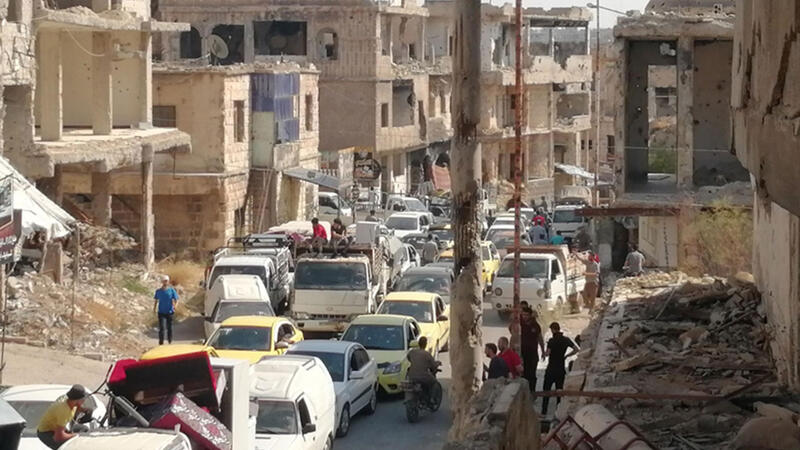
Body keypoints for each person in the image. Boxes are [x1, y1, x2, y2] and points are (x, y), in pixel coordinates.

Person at [541, 322, 579, 416]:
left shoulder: (551, 341)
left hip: (551, 369)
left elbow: (548, 353)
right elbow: (576, 349)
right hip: (560, 369)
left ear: (552, 330)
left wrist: (544, 353)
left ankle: (544, 412)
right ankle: (558, 412)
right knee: (559, 392)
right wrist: (566, 356)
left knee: (546, 391)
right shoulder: (566, 340)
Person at [37, 385, 90, 449]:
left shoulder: (71, 402)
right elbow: (58, 437)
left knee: (84, 429)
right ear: (77, 400)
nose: (84, 401)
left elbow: (77, 406)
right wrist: (77, 435)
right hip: (47, 433)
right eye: (83, 399)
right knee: (70, 446)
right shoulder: (64, 410)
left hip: (57, 428)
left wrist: (84, 410)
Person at [519, 307, 545, 392]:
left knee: (532, 375)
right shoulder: (520, 324)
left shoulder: (535, 326)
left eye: (526, 315)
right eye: (523, 315)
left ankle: (532, 392)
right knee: (523, 374)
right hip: (522, 353)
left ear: (530, 315)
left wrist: (543, 351)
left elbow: (540, 338)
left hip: (532, 354)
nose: (524, 317)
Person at [407, 336, 440, 401]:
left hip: (411, 376)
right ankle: (432, 399)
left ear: (418, 343)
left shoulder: (412, 352)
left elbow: (408, 358)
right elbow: (433, 365)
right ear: (425, 344)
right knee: (434, 382)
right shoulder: (427, 354)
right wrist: (438, 363)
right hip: (423, 376)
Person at [153, 275, 178, 345]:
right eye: (164, 281)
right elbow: (156, 300)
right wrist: (154, 309)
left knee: (169, 328)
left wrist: (175, 306)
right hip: (161, 312)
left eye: (166, 281)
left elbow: (176, 299)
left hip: (169, 312)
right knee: (162, 328)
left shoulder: (171, 290)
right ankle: (161, 343)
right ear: (162, 282)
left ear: (168, 281)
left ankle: (170, 341)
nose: (165, 282)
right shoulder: (158, 291)